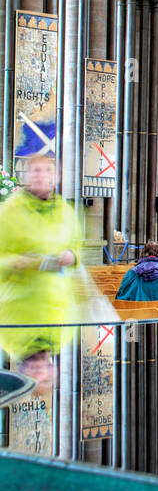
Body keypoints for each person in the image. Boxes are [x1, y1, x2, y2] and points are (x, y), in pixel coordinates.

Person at [0, 154, 83, 386]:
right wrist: (18, 262)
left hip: (54, 305)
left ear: (55, 177)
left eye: (46, 171)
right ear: (26, 176)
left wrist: (72, 257)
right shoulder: (9, 211)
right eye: (35, 171)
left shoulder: (66, 211)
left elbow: (77, 248)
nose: (40, 176)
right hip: (18, 311)